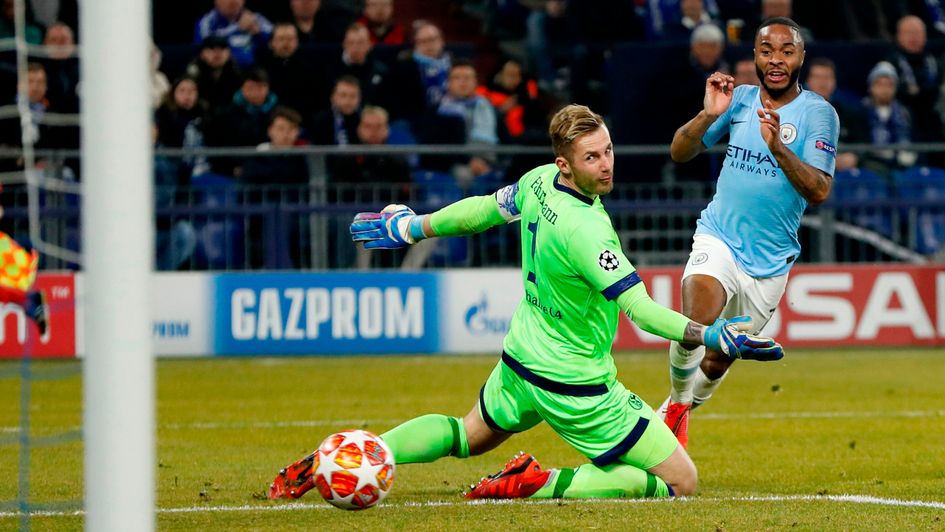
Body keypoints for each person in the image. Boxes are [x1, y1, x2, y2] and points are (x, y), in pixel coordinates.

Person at [268, 104, 782, 501]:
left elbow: (482, 212)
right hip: (575, 382)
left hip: (522, 357)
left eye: (607, 151)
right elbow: (642, 312)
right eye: (591, 158)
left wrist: (412, 226)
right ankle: (539, 481)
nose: (605, 166)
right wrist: (713, 334)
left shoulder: (539, 181)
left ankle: (349, 457)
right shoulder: (588, 231)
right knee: (680, 482)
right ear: (567, 163)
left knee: (467, 434)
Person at [659, 17, 838, 448]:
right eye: (766, 50)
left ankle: (671, 411)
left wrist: (778, 148)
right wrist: (707, 114)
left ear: (800, 58)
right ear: (754, 56)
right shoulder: (737, 100)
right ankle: (672, 420)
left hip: (770, 261)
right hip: (718, 236)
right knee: (695, 321)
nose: (776, 59)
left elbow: (819, 190)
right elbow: (680, 151)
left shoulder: (818, 114)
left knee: (720, 358)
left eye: (786, 51)